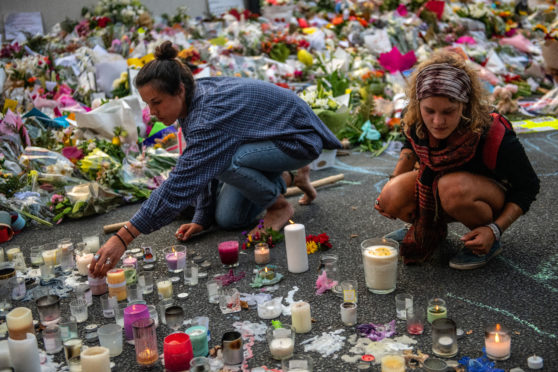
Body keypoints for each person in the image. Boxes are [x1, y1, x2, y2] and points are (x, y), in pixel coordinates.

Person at [90, 41, 341, 277]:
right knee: (229, 219)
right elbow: (199, 165)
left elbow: (184, 179)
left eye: (156, 102)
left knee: (226, 161)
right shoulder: (191, 98)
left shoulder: (207, 116)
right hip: (265, 138)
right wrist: (201, 218)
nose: (152, 113)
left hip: (297, 140)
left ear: (179, 90)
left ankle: (279, 206)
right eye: (147, 104)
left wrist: (123, 238)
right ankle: (287, 175)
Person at [374, 51, 540, 270]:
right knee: (391, 195)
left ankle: (485, 241)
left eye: (448, 111)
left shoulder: (493, 134)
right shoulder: (415, 118)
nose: (437, 121)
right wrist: (391, 183)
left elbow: (528, 186)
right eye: (429, 110)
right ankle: (429, 227)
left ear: (465, 104)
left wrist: (495, 229)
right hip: (440, 189)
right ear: (418, 104)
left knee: (451, 188)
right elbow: (410, 145)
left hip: (483, 197)